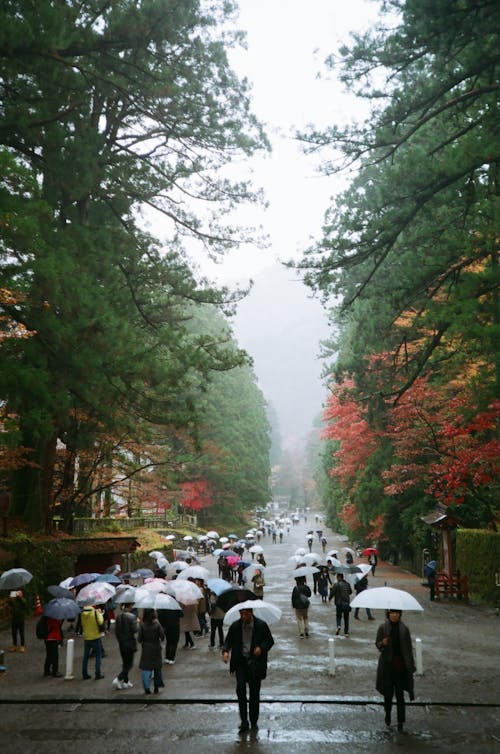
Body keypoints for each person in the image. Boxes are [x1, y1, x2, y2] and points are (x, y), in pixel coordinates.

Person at [222, 606, 275, 733]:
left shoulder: (261, 626)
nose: (243, 617)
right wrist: (225, 651)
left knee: (254, 694)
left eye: (246, 614)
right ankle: (244, 721)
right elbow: (228, 641)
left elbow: (270, 641)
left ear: (251, 613)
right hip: (241, 663)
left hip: (255, 663)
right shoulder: (236, 626)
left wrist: (261, 648)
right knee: (240, 690)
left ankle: (253, 720)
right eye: (241, 614)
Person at [375, 609, 416, 731]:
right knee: (388, 695)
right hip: (387, 667)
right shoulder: (383, 628)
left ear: (400, 614)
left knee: (400, 695)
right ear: (388, 614)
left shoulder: (404, 629)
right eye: (392, 613)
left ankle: (400, 721)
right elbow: (377, 645)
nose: (394, 615)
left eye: (397, 613)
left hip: (400, 667)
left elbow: (408, 648)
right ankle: (388, 714)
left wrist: (411, 664)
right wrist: (383, 643)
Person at [138, 608, 165, 694]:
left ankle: (147, 688)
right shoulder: (157, 624)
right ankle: (156, 687)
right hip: (156, 648)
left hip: (146, 649)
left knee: (146, 668)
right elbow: (162, 637)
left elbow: (139, 639)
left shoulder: (142, 625)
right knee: (157, 668)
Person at [112, 601, 138, 689]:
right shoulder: (132, 617)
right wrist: (137, 622)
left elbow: (116, 631)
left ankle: (126, 681)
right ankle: (119, 678)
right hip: (130, 643)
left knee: (125, 663)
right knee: (129, 664)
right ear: (129, 606)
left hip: (122, 643)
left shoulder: (119, 617)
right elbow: (135, 630)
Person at [81, 603, 105, 679]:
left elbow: (82, 624)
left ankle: (84, 673)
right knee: (98, 655)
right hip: (95, 636)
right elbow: (101, 622)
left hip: (87, 637)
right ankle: (97, 673)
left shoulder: (82, 613)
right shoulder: (95, 612)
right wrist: (100, 614)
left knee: (85, 656)